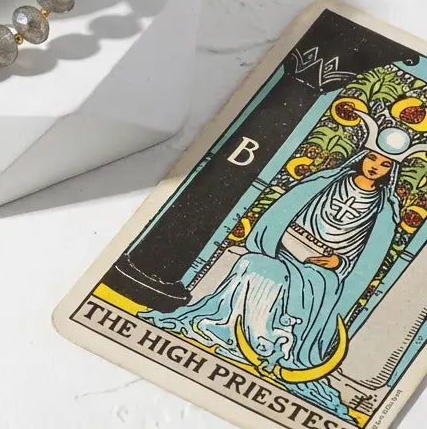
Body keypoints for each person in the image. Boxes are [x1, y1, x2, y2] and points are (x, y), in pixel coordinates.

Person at [141, 148, 401, 418]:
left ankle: (270, 345)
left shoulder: (382, 208)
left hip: (323, 271)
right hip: (286, 250)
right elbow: (289, 213)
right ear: (361, 157)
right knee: (253, 264)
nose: (375, 166)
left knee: (299, 283)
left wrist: (338, 263)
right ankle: (229, 330)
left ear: (390, 172)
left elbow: (364, 257)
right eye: (372, 158)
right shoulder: (326, 182)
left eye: (384, 164)